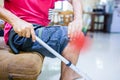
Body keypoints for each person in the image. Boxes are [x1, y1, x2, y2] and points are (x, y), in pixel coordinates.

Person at [0, 0, 83, 80]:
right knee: (73, 38)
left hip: (40, 28)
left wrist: (78, 19)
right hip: (20, 32)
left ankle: (69, 74)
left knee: (75, 35)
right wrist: (15, 21)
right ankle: (68, 77)